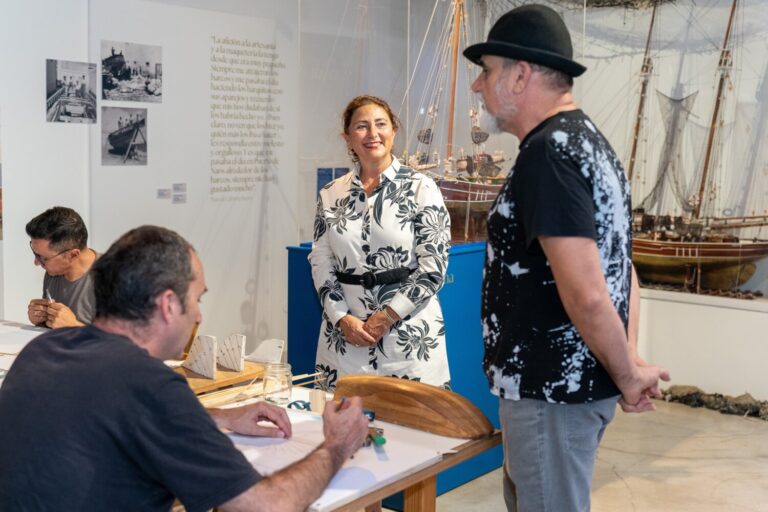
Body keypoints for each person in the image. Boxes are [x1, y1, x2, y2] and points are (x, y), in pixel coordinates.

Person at [0, 225, 369, 511]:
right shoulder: (151, 385)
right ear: (167, 304)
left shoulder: (43, 351)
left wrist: (218, 417)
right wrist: (337, 446)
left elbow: (120, 414)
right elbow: (264, 505)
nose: (199, 315)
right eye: (196, 299)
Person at [464, 5, 670, 511]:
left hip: (550, 392)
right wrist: (629, 359)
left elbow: (588, 292)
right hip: (567, 388)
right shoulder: (589, 144)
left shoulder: (549, 154)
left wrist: (626, 373)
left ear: (520, 75)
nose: (477, 86)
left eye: (486, 71)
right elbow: (624, 268)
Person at [309, 95, 452, 390]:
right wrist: (341, 319)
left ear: (394, 131)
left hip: (409, 340)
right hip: (344, 340)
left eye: (381, 125)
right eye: (361, 127)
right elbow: (321, 261)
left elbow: (433, 267)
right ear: (347, 138)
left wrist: (386, 316)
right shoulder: (330, 193)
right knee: (343, 429)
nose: (372, 134)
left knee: (414, 431)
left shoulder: (422, 188)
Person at [26, 206, 98, 327]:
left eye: (43, 258)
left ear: (72, 255)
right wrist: (41, 319)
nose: (36, 262)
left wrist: (74, 327)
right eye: (36, 254)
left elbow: (125, 344)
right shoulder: (53, 272)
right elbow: (55, 327)